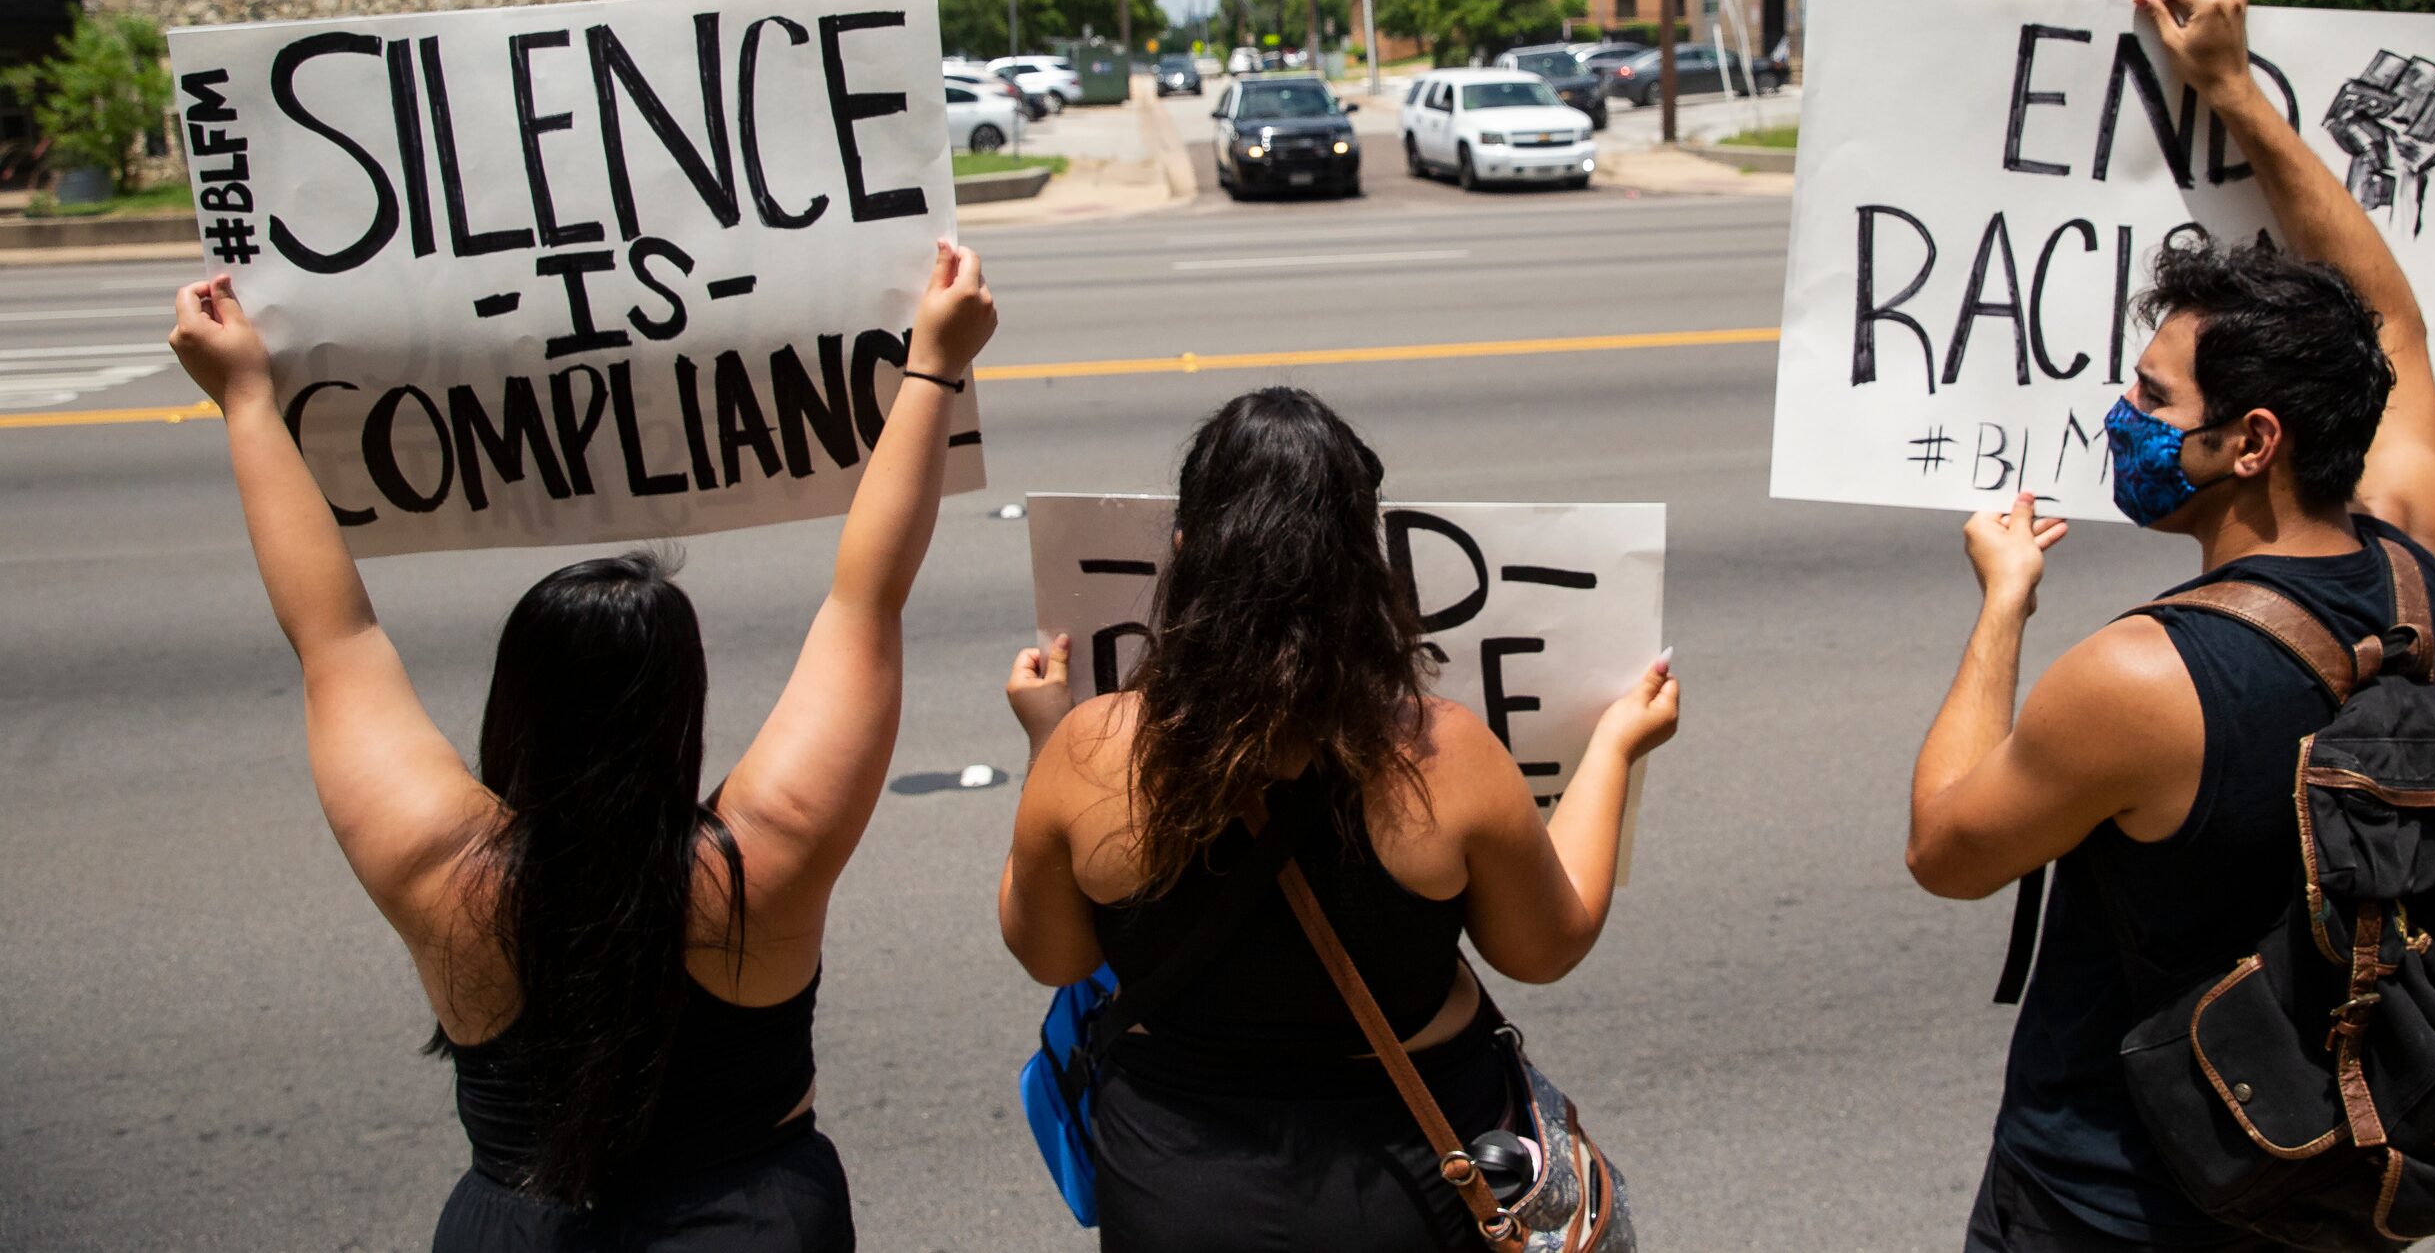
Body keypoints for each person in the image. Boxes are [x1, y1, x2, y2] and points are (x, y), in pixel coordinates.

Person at [164, 239, 998, 1251]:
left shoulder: (441, 871)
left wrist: (247, 400)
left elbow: (334, 640)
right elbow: (867, 602)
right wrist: (931, 368)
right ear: (681, 706)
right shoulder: (761, 861)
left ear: (516, 706)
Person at [1903, 0, 2435, 1251]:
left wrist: (2003, 608)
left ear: (2251, 439)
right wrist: (2230, 90)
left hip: (2121, 1194)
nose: (2122, 415)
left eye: (2155, 400)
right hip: (2336, 1172)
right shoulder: (2427, 559)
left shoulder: (2146, 677)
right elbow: (2391, 318)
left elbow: (1948, 846)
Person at [995, 386, 1677, 1253]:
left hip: (1174, 1187)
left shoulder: (1089, 753)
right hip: (1406, 1181)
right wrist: (1613, 748)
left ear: (1184, 554)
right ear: (1368, 567)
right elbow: (1545, 945)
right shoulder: (1442, 755)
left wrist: (1047, 735)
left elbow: (1051, 953)